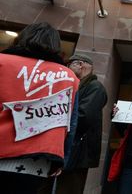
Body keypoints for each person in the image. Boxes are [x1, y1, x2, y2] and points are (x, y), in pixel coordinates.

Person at [0, 22, 80, 193]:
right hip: (37, 164)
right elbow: (71, 124)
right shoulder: (70, 77)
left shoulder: (2, 62)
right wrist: (61, 158)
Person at [38, 54, 108, 194]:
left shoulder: (95, 87)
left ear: (80, 65)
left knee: (68, 188)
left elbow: (83, 117)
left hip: (79, 152)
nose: (66, 69)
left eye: (68, 65)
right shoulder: (76, 85)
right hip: (65, 147)